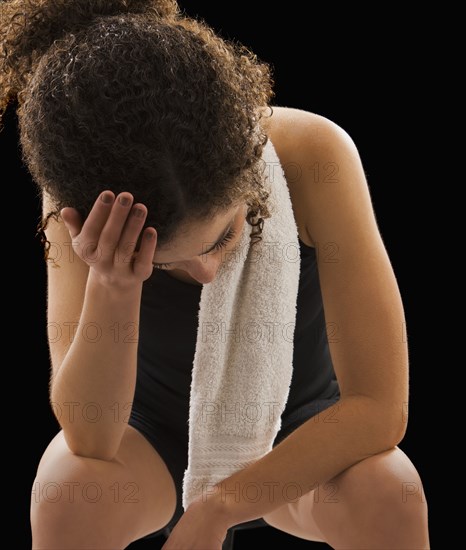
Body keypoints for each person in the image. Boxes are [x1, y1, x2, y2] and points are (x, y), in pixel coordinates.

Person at [1, 1, 429, 548]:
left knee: (390, 490)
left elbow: (378, 408)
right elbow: (90, 437)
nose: (204, 273)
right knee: (67, 489)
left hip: (298, 431)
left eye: (224, 237)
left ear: (249, 173)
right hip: (148, 436)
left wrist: (218, 508)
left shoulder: (313, 155)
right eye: (162, 262)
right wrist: (114, 282)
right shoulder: (78, 205)